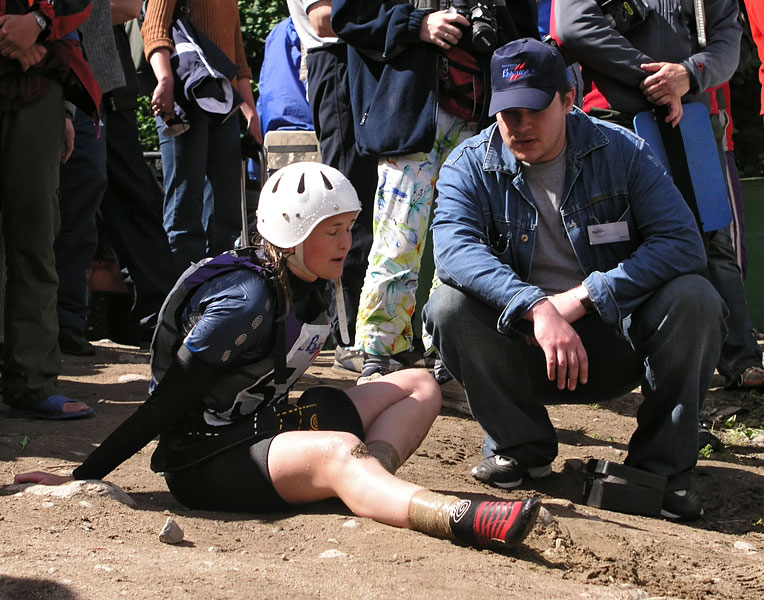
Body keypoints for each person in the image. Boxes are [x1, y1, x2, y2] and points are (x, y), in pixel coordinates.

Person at [13, 162, 541, 552]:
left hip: (261, 425)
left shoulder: (309, 280)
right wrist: (83, 476)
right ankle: (454, 515)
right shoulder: (243, 304)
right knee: (338, 450)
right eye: (331, 231)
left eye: (349, 227)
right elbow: (162, 408)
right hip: (206, 461)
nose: (346, 242)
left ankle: (366, 487)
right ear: (290, 236)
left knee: (419, 385)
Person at [423, 39, 726, 521]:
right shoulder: (469, 163)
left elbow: (683, 243)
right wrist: (536, 307)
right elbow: (453, 250)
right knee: (446, 305)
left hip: (614, 341)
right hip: (523, 345)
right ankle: (520, 448)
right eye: (507, 112)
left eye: (534, 109)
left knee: (695, 297)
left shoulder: (624, 150)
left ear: (568, 98)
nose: (519, 126)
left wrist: (586, 296)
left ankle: (661, 470)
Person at [552, 0, 764, 390]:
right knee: (620, 244)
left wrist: (687, 74)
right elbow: (572, 25)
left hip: (694, 118)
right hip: (618, 121)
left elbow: (728, 40)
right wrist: (653, 77)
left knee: (712, 238)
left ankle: (738, 358)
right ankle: (617, 366)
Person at [331, 0, 540, 383]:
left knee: (464, 242)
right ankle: (379, 350)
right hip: (411, 116)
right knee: (398, 238)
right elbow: (349, 17)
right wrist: (418, 23)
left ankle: (448, 348)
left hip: (479, 120)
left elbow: (523, 34)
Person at [0, 0, 94, 419]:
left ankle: (32, 381)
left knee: (35, 236)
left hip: (39, 85)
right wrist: (10, 35)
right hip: (26, 60)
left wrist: (36, 23)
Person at [284, 0, 379, 374]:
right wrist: (400, 22)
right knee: (345, 204)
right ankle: (348, 334)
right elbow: (324, 21)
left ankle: (368, 330)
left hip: (365, 62)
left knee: (370, 203)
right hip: (336, 62)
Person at [142, 0, 262, 276]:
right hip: (186, 99)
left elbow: (237, 56)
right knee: (185, 212)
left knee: (227, 215)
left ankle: (223, 293)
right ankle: (182, 300)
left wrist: (249, 109)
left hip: (224, 106)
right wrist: (164, 80)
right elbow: (154, 27)